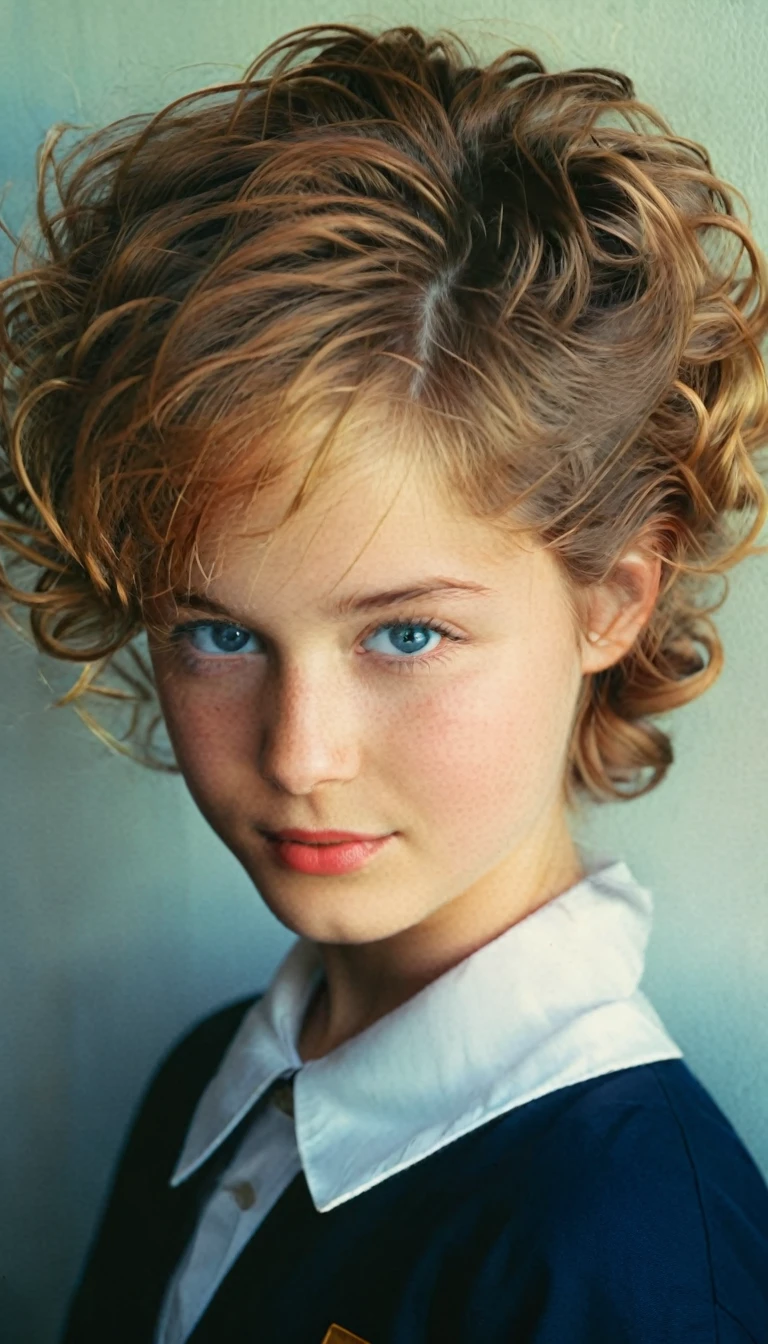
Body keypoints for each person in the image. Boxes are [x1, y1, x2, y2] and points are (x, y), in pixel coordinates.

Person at [1, 20, 767, 1344]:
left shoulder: (629, 1251)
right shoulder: (215, 1081)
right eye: (219, 634)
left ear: (612, 598)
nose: (300, 754)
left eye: (403, 634)